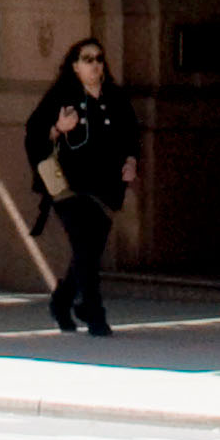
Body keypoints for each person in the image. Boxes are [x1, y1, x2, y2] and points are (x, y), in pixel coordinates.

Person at [25, 36, 139, 337]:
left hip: (105, 187)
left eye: (99, 59)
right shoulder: (61, 96)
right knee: (84, 246)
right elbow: (34, 133)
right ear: (75, 66)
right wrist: (58, 129)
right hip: (68, 185)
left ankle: (62, 302)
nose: (95, 65)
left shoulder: (114, 97)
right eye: (87, 59)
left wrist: (131, 160)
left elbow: (131, 134)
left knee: (89, 251)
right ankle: (93, 310)